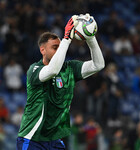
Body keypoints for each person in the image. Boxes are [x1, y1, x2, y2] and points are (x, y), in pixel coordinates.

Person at [16, 14, 105, 150]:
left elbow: (98, 65)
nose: (60, 50)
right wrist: (66, 39)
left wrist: (90, 37)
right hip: (32, 138)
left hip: (55, 141)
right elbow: (52, 70)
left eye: (60, 47)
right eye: (54, 47)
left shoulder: (69, 68)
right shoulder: (34, 69)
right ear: (43, 50)